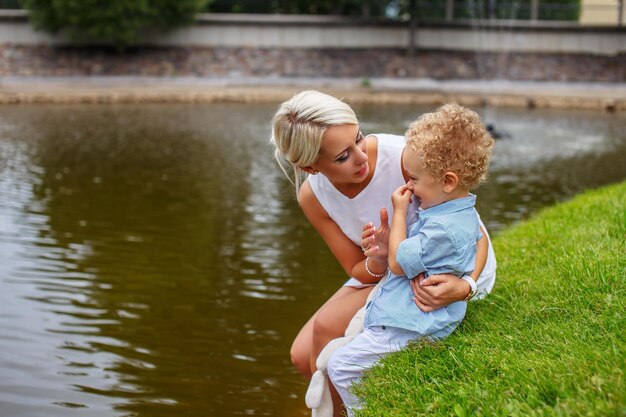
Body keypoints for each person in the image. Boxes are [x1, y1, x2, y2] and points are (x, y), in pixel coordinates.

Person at [270, 91, 496, 415]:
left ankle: (336, 408)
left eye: (358, 139)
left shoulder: (405, 160)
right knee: (300, 355)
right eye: (342, 156)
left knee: (323, 330)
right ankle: (339, 400)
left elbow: (473, 232)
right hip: (396, 266)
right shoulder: (312, 197)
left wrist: (467, 287)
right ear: (310, 166)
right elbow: (357, 268)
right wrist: (376, 258)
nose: (361, 157)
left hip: (448, 270)